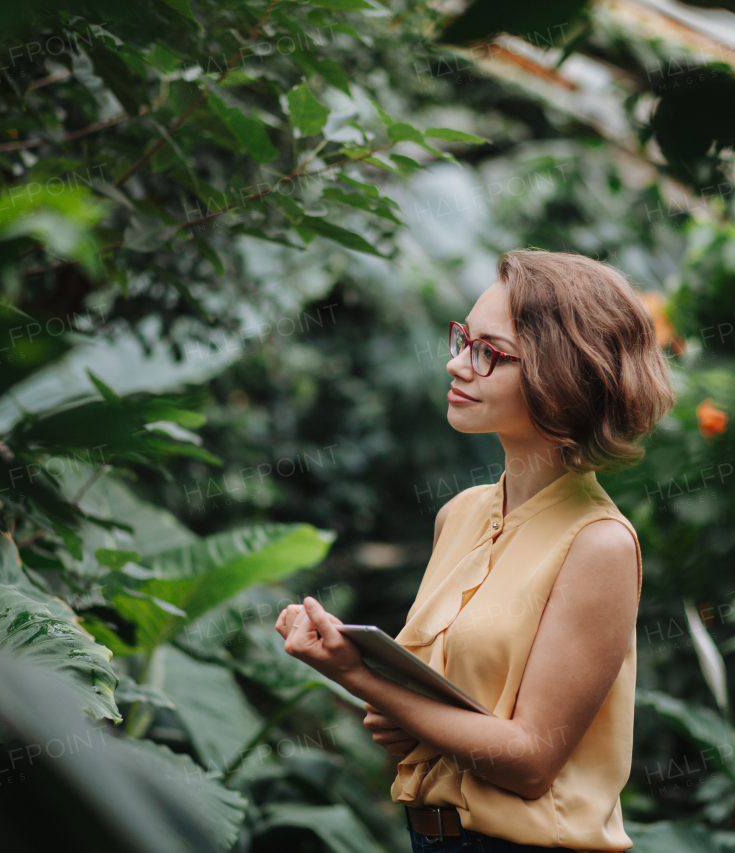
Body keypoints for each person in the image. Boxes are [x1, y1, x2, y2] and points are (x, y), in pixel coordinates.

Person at [276, 248, 675, 852]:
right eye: (463, 338)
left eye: (489, 352)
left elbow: (530, 762)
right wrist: (394, 708)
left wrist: (359, 676)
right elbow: (437, 718)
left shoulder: (599, 544)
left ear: (561, 377)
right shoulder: (458, 514)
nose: (456, 364)